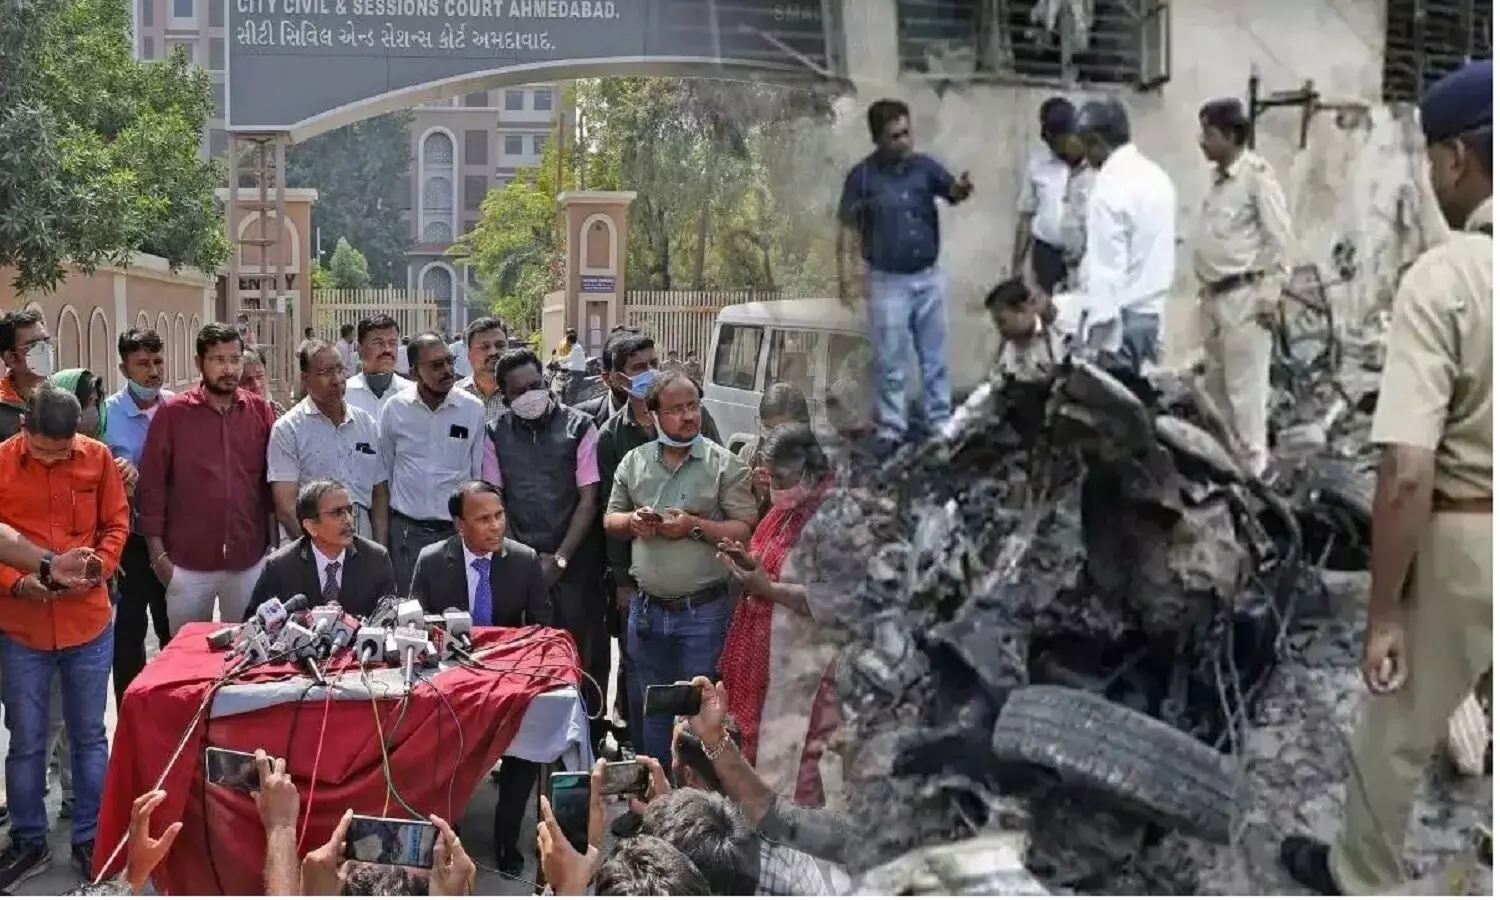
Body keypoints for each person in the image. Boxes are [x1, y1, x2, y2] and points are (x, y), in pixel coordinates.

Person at [1279, 59, 1494, 897]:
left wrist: (1382, 615)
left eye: (1431, 157)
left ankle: (1360, 878)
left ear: (1456, 159)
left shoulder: (1446, 276)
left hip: (1469, 540)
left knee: (1396, 729)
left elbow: (1406, 471)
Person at [0, 383, 129, 890]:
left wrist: (101, 567)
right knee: (27, 740)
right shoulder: (1, 463)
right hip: (22, 627)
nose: (54, 459)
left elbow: (116, 524)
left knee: (89, 736)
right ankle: (28, 841)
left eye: (62, 451)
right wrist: (16, 582)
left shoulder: (97, 459)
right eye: (43, 452)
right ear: (23, 427)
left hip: (87, 624)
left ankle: (91, 837)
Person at [603, 371, 758, 765]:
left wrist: (694, 527)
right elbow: (610, 519)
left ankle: (696, 794)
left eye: (693, 406)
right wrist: (633, 522)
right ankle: (656, 790)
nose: (688, 416)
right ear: (653, 414)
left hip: (703, 614)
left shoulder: (723, 464)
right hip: (647, 613)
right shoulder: (635, 461)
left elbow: (744, 529)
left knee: (698, 712)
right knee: (651, 708)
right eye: (676, 409)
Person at [409, 480, 551, 875]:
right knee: (435, 748)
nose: (495, 526)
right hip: (451, 680)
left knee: (527, 744)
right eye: (483, 519)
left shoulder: (523, 560)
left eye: (499, 516)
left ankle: (506, 838)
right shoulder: (432, 561)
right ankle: (447, 830)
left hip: (507, 678)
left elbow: (542, 626)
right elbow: (415, 630)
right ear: (459, 525)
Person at [596, 333, 725, 733]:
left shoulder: (700, 425)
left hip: (698, 594)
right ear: (617, 378)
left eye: (653, 363)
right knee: (646, 687)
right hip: (643, 588)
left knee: (694, 695)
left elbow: (723, 483)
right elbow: (610, 513)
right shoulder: (613, 437)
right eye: (639, 367)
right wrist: (623, 579)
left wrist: (694, 524)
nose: (650, 372)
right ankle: (644, 754)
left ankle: (693, 764)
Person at [837, 98, 974, 452]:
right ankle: (893, 428)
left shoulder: (925, 168)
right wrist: (846, 276)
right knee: (891, 359)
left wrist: (962, 188)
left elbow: (952, 192)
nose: (904, 141)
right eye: (895, 136)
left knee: (934, 356)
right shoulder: (862, 178)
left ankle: (940, 421)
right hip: (887, 282)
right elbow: (848, 229)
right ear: (877, 138)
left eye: (906, 133)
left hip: (927, 278)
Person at [717, 423, 843, 805]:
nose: (774, 486)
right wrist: (746, 563)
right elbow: (770, 561)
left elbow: (833, 599)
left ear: (810, 469)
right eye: (769, 477)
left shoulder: (834, 519)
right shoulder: (786, 509)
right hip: (763, 662)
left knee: (789, 775)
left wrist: (769, 590)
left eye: (782, 478)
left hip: (803, 670)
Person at [136, 322, 278, 629]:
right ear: (199, 362)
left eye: (234, 359)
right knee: (187, 651)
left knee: (246, 648)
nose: (228, 369)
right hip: (186, 564)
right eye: (218, 360)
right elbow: (152, 487)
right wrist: (159, 558)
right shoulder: (173, 414)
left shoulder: (259, 411)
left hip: (249, 559)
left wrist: (271, 550)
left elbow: (269, 485)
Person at [483, 348, 603, 703]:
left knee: (575, 663)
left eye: (535, 385)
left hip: (573, 565)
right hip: (517, 564)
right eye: (519, 391)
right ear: (505, 398)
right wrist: (523, 560)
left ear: (547, 382)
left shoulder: (580, 426)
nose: (530, 394)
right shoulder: (495, 433)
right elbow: (495, 503)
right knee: (522, 665)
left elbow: (588, 500)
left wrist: (560, 559)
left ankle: (583, 733)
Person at [1192, 97, 1296, 477]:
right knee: (1216, 392)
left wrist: (1270, 294)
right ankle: (1225, 474)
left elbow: (1280, 240)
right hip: (1215, 298)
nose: (1202, 141)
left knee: (1245, 396)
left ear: (1231, 136)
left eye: (1209, 133)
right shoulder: (1219, 181)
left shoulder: (1256, 178)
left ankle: (1254, 475)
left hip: (1244, 300)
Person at [1061, 98, 1176, 370]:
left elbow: (1108, 271)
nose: (1085, 157)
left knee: (1111, 396)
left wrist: (1095, 341)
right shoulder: (1157, 177)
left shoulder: (1109, 189)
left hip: (1121, 323)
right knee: (1143, 392)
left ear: (1095, 141)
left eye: (1085, 146)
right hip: (1153, 313)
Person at [375, 332, 485, 591]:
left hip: (455, 533)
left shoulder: (472, 409)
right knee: (410, 608)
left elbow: (476, 474)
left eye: (449, 360)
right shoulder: (395, 409)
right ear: (414, 372)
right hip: (407, 534)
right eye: (436, 365)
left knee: (455, 607)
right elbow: (385, 473)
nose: (447, 370)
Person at [102, 329, 174, 703]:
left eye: (157, 361)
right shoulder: (106, 415)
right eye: (143, 364)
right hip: (127, 542)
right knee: (128, 637)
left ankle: (176, 713)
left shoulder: (177, 408)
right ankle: (131, 713)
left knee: (173, 633)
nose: (153, 371)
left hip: (172, 538)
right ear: (124, 369)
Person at [267, 340, 388, 542]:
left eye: (340, 370)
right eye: (326, 372)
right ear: (305, 378)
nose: (337, 379)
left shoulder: (365, 423)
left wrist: (379, 549)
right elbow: (286, 508)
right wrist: (316, 553)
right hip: (313, 536)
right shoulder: (287, 430)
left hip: (361, 537)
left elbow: (380, 493)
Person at [246, 479, 397, 620]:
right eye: (337, 513)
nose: (349, 520)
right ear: (311, 526)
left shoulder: (376, 559)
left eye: (349, 511)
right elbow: (253, 626)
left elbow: (389, 622)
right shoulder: (279, 567)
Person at [1014, 98, 1092, 297]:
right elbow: (1025, 216)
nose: (1054, 148)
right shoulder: (1037, 164)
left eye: (1057, 142)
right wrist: (1016, 267)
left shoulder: (1094, 165)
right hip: (1046, 255)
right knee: (1046, 308)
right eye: (1049, 142)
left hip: (1083, 256)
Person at [737, 384, 811, 514]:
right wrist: (754, 491)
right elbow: (736, 511)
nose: (773, 436)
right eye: (767, 427)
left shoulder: (813, 464)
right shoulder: (749, 455)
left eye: (782, 429)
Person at [344, 315, 411, 425]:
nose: (387, 349)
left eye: (393, 343)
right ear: (360, 349)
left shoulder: (412, 394)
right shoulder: (343, 395)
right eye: (378, 343)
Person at [0, 309, 55, 440]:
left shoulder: (65, 396)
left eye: (46, 341)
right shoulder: (2, 405)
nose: (44, 349)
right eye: (33, 345)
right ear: (10, 358)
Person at [574, 326, 644, 427]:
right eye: (636, 367)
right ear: (607, 378)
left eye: (653, 363)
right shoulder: (581, 420)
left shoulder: (663, 418)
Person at [455, 316, 509, 423]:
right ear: (469, 354)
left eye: (500, 345)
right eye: (485, 347)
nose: (493, 352)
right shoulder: (453, 396)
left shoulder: (521, 395)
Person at [238, 346, 286, 418]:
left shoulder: (278, 412)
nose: (256, 385)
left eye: (260, 376)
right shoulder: (232, 418)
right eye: (247, 380)